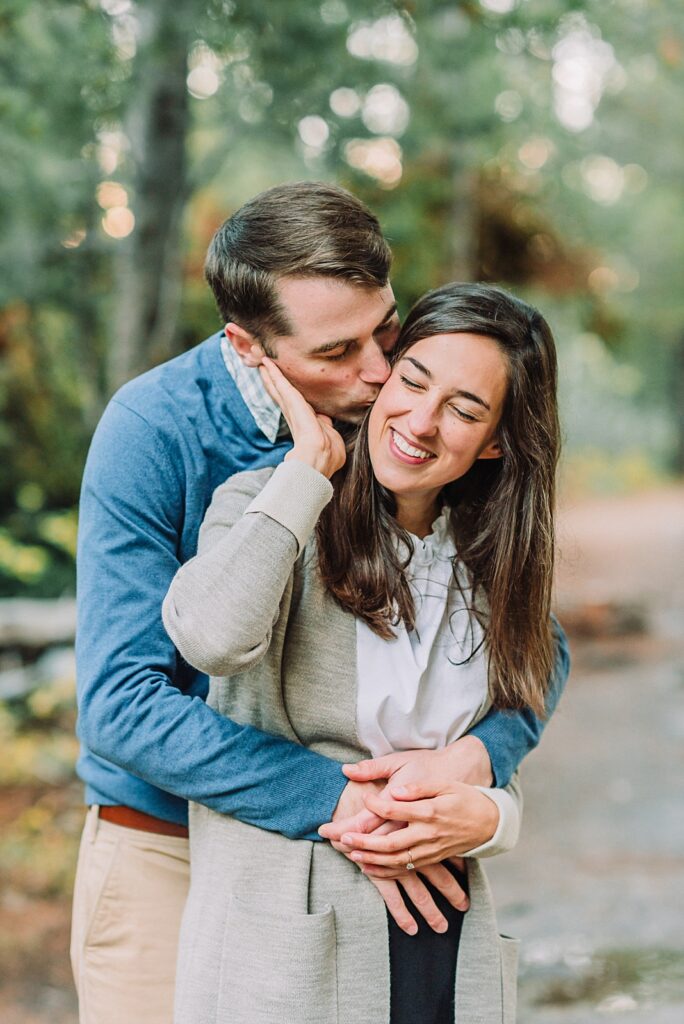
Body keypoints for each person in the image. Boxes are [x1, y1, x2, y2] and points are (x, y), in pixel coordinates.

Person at [71, 183, 569, 1024]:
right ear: (248, 345)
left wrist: (478, 764)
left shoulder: (400, 411)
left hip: (339, 854)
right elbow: (122, 704)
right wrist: (341, 799)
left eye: (387, 328)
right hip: (167, 840)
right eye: (340, 352)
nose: (378, 373)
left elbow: (529, 642)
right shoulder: (155, 430)